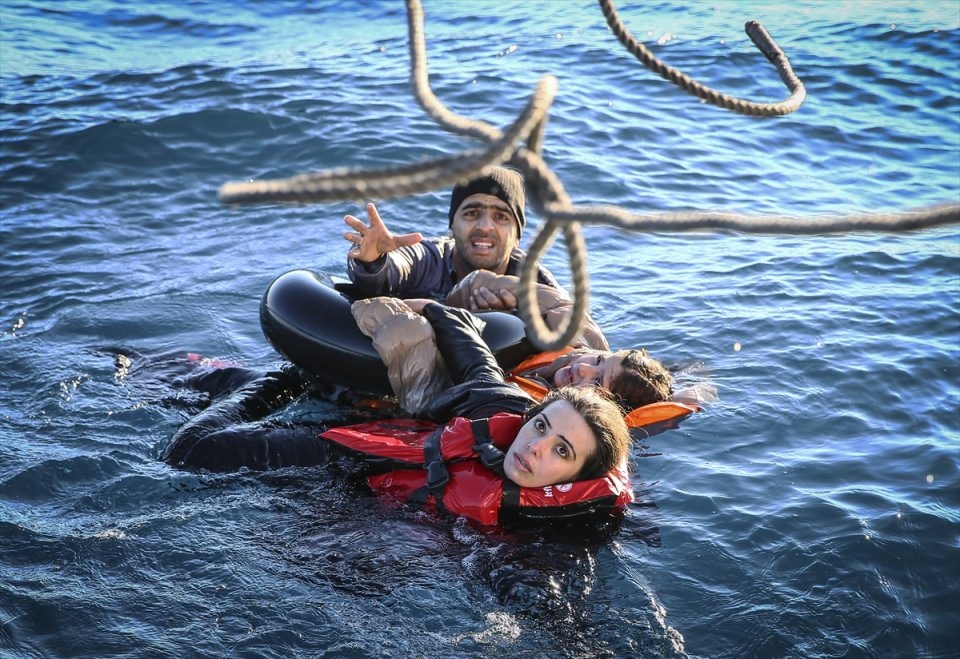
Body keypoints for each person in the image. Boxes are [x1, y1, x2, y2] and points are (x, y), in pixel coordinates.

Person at [162, 300, 633, 526]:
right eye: (542, 426)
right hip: (348, 456)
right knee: (190, 450)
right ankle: (273, 381)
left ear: (574, 479)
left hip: (369, 508)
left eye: (561, 451)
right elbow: (471, 351)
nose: (533, 446)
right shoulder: (505, 407)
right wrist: (430, 308)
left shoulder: (554, 527)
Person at [342, 166, 609, 350]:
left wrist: (513, 317)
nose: (485, 226)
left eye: (501, 217)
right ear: (452, 226)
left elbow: (581, 332)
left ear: (517, 235)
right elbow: (396, 266)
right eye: (471, 213)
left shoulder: (534, 280)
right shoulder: (428, 258)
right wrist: (374, 260)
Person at [351, 295, 692, 428]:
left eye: (599, 382)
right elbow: (560, 304)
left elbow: (482, 376)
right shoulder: (570, 348)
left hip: (441, 412)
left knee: (408, 331)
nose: (584, 369)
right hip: (474, 374)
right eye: (600, 360)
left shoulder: (538, 414)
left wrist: (435, 309)